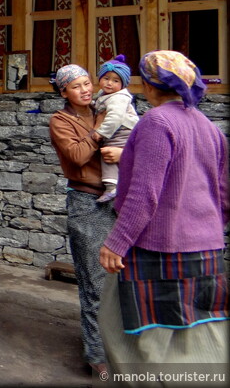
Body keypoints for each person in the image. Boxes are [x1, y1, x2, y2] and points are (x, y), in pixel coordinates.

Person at [98, 51, 228, 380]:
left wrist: (116, 242)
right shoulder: (210, 128)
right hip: (207, 255)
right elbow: (224, 194)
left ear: (150, 86)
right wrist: (205, 228)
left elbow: (144, 194)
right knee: (198, 338)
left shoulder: (157, 122)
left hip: (156, 251)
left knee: (127, 335)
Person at [48, 64, 121, 375]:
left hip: (119, 198)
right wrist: (100, 131)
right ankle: (97, 356)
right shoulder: (60, 120)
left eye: (87, 83)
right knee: (95, 283)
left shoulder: (107, 105)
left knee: (123, 280)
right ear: (64, 91)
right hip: (86, 202)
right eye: (76, 86)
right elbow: (77, 156)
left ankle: (122, 348)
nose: (86, 89)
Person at [90, 55, 139, 203]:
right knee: (109, 154)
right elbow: (101, 106)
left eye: (115, 80)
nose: (109, 83)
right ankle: (113, 186)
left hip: (123, 130)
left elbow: (115, 117)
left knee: (109, 153)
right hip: (116, 130)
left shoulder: (119, 98)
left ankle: (112, 187)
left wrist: (101, 132)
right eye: (106, 78)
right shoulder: (105, 95)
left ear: (123, 84)